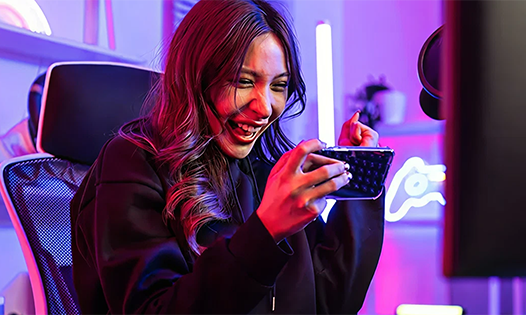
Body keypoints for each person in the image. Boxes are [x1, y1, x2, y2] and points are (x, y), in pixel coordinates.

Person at [70, 0, 385, 314]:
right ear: (196, 77)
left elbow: (331, 303)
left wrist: (357, 180)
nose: (264, 108)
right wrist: (265, 232)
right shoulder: (134, 161)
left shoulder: (265, 168)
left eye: (278, 85)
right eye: (244, 81)